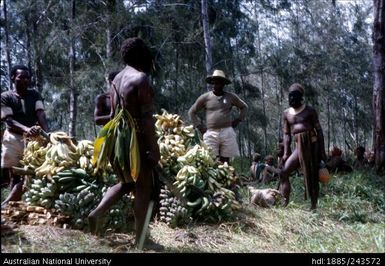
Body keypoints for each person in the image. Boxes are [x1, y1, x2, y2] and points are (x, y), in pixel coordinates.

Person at [88, 37, 160, 248]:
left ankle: (97, 212)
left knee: (126, 182)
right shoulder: (140, 79)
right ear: (140, 55)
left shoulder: (116, 79)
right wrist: (154, 148)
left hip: (116, 139)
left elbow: (112, 114)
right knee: (143, 187)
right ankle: (140, 241)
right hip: (135, 139)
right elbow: (146, 119)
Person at [1, 65, 48, 208]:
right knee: (14, 173)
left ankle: (13, 204)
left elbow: (40, 113)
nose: (25, 80)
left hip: (32, 140)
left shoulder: (34, 95)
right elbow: (8, 120)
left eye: (27, 77)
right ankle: (9, 206)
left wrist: (47, 133)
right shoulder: (5, 97)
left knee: (30, 172)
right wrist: (27, 129)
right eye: (21, 77)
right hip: (13, 138)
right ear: (13, 78)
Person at [279, 83, 327, 210]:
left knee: (313, 175)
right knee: (284, 172)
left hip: (312, 145)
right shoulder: (286, 114)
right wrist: (285, 152)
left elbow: (319, 131)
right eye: (290, 97)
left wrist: (322, 151)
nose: (291, 99)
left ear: (301, 97)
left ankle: (313, 206)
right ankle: (285, 202)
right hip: (298, 147)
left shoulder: (310, 111)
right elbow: (286, 135)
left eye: (295, 96)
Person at [188, 69, 248, 163]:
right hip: (211, 132)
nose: (216, 85)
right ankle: (212, 177)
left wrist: (238, 120)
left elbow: (244, 107)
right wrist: (199, 126)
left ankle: (226, 176)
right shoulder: (205, 97)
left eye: (219, 83)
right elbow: (191, 112)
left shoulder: (230, 97)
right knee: (211, 159)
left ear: (223, 84)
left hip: (227, 131)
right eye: (214, 82)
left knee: (225, 161)